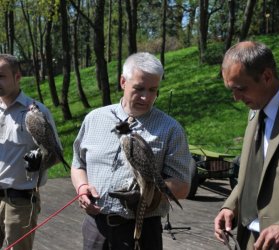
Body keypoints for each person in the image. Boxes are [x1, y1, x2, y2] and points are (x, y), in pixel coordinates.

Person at [71, 52, 194, 250]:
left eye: (153, 90)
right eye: (139, 88)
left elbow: (182, 185)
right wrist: (81, 188)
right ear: (123, 82)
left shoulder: (170, 129)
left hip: (142, 230)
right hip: (96, 228)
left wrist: (147, 194)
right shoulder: (95, 119)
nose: (146, 97)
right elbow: (78, 165)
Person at [214, 41, 279, 249]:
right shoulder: (255, 112)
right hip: (249, 240)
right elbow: (255, 173)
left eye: (241, 88)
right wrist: (231, 206)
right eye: (231, 89)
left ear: (267, 76)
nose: (236, 98)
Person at [0, 54, 61, 249]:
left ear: (17, 77)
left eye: (1, 76)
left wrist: (40, 161)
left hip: (20, 202)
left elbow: (56, 155)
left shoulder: (36, 112)